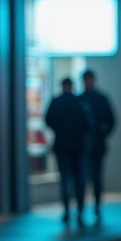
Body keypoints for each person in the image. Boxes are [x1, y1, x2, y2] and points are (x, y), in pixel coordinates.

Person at [44, 77, 91, 225]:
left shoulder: (56, 102)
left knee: (65, 179)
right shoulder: (79, 103)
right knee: (79, 180)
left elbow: (48, 120)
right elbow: (88, 125)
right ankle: (80, 211)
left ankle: (66, 210)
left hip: (62, 146)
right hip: (78, 147)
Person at [80, 70, 116, 220]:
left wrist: (102, 134)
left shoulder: (101, 99)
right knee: (82, 178)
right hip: (81, 147)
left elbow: (112, 120)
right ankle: (81, 209)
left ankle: (97, 206)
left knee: (96, 177)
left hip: (97, 146)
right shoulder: (80, 99)